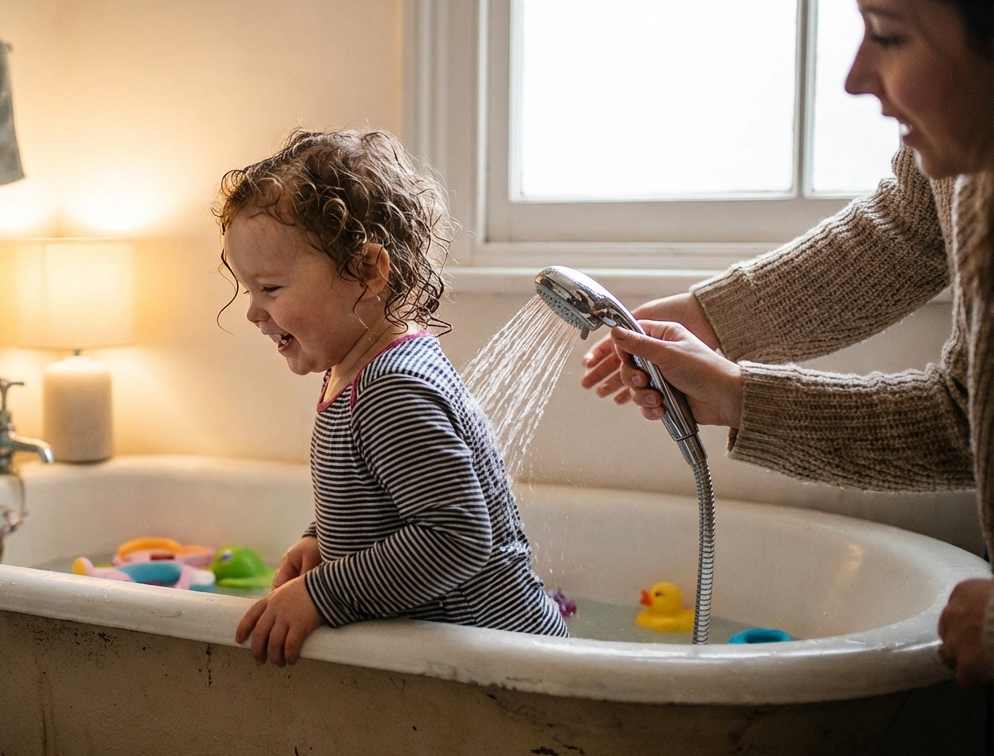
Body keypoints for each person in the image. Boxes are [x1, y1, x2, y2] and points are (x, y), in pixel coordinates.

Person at [581, 0, 994, 688]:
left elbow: (963, 419)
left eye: (889, 36)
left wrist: (742, 395)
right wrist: (715, 326)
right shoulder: (967, 163)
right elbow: (904, 229)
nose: (855, 77)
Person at [215, 129, 568, 667]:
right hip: (475, 659)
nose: (253, 312)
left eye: (272, 288)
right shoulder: (361, 373)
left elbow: (455, 536)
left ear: (367, 271)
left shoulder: (392, 391)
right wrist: (323, 543)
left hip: (503, 661)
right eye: (248, 290)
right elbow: (387, 500)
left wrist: (323, 592)